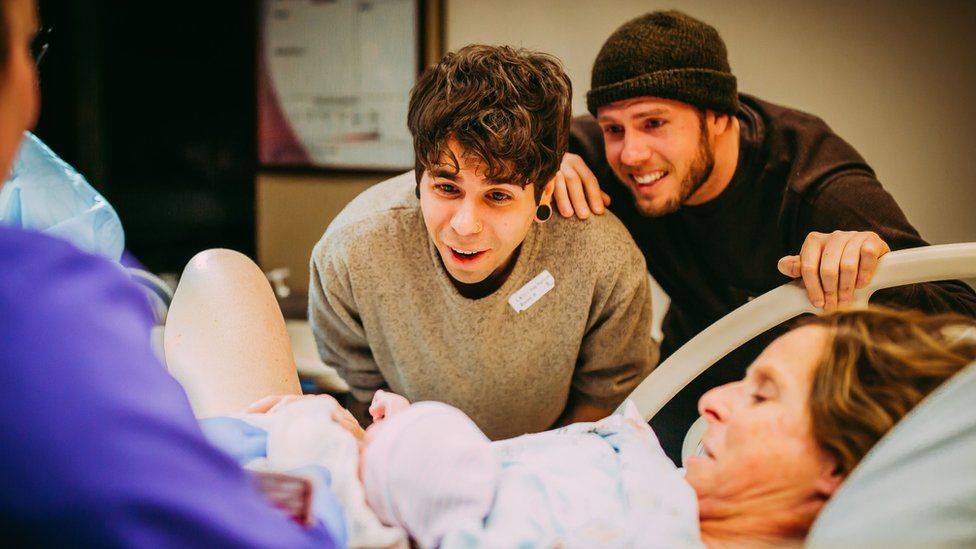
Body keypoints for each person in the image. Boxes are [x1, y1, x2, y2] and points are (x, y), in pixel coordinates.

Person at [554, 10, 976, 459]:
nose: (631, 153)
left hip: (807, 391)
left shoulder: (814, 184)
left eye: (654, 123)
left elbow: (961, 322)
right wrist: (547, 161)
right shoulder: (601, 155)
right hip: (697, 358)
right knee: (622, 463)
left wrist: (876, 264)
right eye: (613, 129)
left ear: (718, 117)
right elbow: (510, 143)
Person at [0, 0, 343, 545]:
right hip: (254, 486)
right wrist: (332, 463)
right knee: (220, 273)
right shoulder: (34, 310)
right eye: (26, 48)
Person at [354, 308, 976, 547]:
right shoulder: (650, 470)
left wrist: (413, 443)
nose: (711, 401)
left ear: (835, 467)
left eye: (763, 395)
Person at [308, 45, 658, 439]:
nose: (465, 225)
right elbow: (362, 379)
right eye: (446, 187)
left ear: (544, 193)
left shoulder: (603, 258)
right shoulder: (352, 250)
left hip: (550, 460)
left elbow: (605, 394)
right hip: (405, 450)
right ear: (419, 173)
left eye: (498, 196)